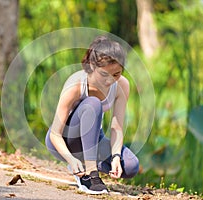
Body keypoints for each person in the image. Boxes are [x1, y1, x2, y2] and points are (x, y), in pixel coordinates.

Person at [45, 36, 139, 194]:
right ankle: (90, 174)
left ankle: (88, 163)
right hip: (66, 141)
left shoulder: (122, 85)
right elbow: (55, 134)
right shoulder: (76, 85)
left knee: (130, 166)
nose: (110, 81)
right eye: (104, 75)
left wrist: (116, 156)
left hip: (94, 139)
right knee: (93, 103)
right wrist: (71, 158)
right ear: (90, 66)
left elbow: (116, 127)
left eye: (116, 74)